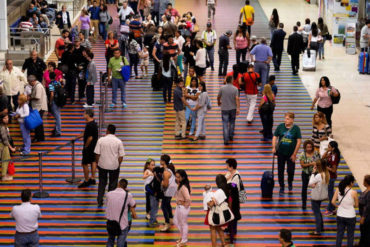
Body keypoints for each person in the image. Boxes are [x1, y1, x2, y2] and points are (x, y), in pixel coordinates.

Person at [95, 124, 125, 207]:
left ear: (107, 131)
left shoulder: (101, 140)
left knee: (102, 183)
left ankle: (100, 200)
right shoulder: (118, 141)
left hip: (102, 166)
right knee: (113, 184)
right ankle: (110, 201)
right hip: (114, 167)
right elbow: (121, 156)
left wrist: (98, 163)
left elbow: (97, 153)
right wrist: (118, 164)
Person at [272, 112, 302, 196]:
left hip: (291, 154)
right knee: (280, 170)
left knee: (290, 170)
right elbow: (275, 136)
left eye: (288, 118)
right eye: (285, 118)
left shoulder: (296, 129)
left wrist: (295, 153)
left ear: (292, 120)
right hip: (281, 153)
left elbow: (299, 141)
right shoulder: (280, 126)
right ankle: (282, 186)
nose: (286, 120)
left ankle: (290, 182)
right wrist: (274, 147)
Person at [105, 178, 136, 247]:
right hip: (122, 224)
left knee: (110, 239)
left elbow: (107, 204)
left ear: (118, 184)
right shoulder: (128, 195)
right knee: (121, 243)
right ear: (126, 187)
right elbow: (134, 205)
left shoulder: (109, 194)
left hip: (111, 222)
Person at [331, 175, 358, 247]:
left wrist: (338, 206)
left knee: (339, 235)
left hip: (340, 215)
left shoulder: (338, 189)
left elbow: (333, 202)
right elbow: (356, 205)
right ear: (351, 183)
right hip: (351, 216)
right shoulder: (354, 192)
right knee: (350, 236)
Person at [77, 109, 99, 188]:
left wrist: (86, 146)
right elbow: (86, 133)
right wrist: (77, 137)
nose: (83, 115)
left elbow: (90, 137)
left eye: (84, 113)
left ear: (88, 115)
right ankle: (93, 178)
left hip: (89, 147)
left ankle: (86, 180)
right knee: (93, 161)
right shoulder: (93, 123)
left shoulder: (89, 125)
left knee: (84, 163)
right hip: (94, 146)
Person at [206, 174, 229, 247]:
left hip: (215, 213)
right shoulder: (226, 190)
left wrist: (208, 202)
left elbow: (211, 204)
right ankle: (223, 243)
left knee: (213, 229)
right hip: (222, 212)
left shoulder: (219, 192)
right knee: (219, 228)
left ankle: (214, 245)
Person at [309, 159, 329, 236]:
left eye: (316, 165)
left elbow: (310, 183)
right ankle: (321, 227)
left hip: (316, 196)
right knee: (318, 211)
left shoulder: (318, 175)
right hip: (322, 196)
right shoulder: (326, 174)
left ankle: (318, 230)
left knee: (316, 213)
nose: (315, 166)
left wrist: (313, 173)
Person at [217, 76, 240, 145]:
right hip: (233, 108)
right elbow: (237, 99)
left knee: (225, 124)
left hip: (224, 108)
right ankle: (231, 136)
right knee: (232, 122)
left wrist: (219, 102)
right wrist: (238, 108)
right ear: (232, 80)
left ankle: (226, 140)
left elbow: (218, 96)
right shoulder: (235, 89)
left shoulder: (222, 88)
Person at [299, 140, 320, 210]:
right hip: (305, 173)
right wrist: (311, 164)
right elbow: (302, 165)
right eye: (307, 147)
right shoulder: (302, 154)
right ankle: (304, 203)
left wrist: (316, 165)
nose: (309, 149)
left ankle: (316, 202)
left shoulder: (316, 153)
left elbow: (319, 162)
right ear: (305, 147)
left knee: (316, 188)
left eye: (310, 147)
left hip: (314, 173)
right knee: (304, 188)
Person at [322, 141, 340, 216]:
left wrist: (325, 167)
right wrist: (327, 151)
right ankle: (332, 208)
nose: (328, 148)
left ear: (333, 148)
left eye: (329, 147)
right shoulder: (331, 153)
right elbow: (323, 157)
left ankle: (331, 209)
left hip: (331, 177)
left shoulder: (334, 156)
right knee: (329, 193)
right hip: (328, 176)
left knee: (330, 194)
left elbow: (334, 170)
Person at [174, 169, 191, 247]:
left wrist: (182, 203)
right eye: (176, 176)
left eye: (178, 177)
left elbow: (188, 199)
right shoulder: (180, 184)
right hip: (180, 207)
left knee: (183, 224)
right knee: (178, 222)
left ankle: (184, 241)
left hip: (183, 208)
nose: (176, 178)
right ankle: (182, 238)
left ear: (183, 177)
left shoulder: (183, 187)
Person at [160, 154, 177, 232]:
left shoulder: (166, 172)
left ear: (163, 161)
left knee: (163, 206)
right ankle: (170, 219)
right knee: (167, 204)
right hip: (172, 190)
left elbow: (165, 184)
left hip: (167, 191)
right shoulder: (170, 168)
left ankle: (167, 223)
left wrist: (160, 182)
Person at [29, 75, 48, 143]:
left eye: (30, 82)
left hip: (40, 107)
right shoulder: (36, 86)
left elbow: (37, 97)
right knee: (38, 123)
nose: (29, 84)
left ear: (32, 81)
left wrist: (30, 98)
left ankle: (39, 137)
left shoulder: (38, 86)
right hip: (37, 107)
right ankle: (39, 137)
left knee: (38, 123)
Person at [0, 115, 15, 181]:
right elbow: (5, 139)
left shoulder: (4, 126)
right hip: (2, 145)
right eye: (5, 118)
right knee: (5, 160)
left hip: (3, 145)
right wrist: (11, 148)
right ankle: (4, 175)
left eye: (7, 117)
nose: (7, 119)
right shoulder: (2, 127)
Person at [48, 72, 62, 137]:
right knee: (58, 115)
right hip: (59, 101)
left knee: (57, 117)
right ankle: (56, 129)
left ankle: (58, 131)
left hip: (54, 101)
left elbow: (52, 94)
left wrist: (50, 102)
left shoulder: (51, 84)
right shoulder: (58, 82)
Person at [359, 174, 370, 246]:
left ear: (366, 182)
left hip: (367, 217)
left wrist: (363, 217)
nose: (363, 182)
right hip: (364, 216)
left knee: (366, 233)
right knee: (363, 232)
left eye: (364, 180)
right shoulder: (366, 190)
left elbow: (368, 206)